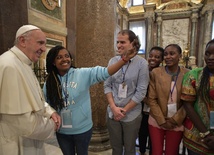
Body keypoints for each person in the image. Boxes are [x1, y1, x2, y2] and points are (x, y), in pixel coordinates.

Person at [43, 43, 137, 155]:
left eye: (67, 56)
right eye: (59, 57)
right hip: (62, 131)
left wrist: (124, 60)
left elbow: (105, 72)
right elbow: (45, 104)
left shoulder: (82, 74)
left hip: (82, 129)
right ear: (53, 62)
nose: (65, 59)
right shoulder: (50, 82)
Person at [0, 25, 61, 155]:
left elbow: (35, 98)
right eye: (40, 43)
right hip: (17, 144)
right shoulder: (9, 66)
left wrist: (50, 112)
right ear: (22, 41)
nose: (44, 49)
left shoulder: (24, 63)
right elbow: (21, 122)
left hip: (31, 140)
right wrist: (52, 125)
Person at [104, 29, 150, 155]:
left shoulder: (142, 63)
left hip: (131, 114)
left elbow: (141, 91)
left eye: (122, 42)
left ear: (132, 43)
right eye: (117, 42)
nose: (118, 45)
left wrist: (124, 110)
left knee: (129, 149)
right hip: (113, 112)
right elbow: (107, 85)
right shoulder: (113, 61)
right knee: (116, 148)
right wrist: (114, 108)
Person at [148, 44, 189, 155]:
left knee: (171, 152)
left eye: (172, 53)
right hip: (157, 119)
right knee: (156, 152)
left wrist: (175, 120)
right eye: (165, 54)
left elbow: (188, 101)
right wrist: (161, 121)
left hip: (177, 121)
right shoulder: (156, 73)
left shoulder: (187, 74)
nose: (168, 57)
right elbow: (151, 99)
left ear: (180, 56)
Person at [181, 39, 214, 155]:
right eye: (207, 53)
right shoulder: (193, 75)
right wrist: (205, 133)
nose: (210, 57)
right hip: (197, 135)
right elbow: (188, 105)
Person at [138, 46, 164, 155]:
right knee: (142, 134)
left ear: (162, 60)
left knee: (154, 139)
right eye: (151, 56)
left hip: (154, 110)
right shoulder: (143, 70)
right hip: (141, 109)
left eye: (157, 57)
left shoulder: (162, 74)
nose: (153, 59)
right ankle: (142, 151)